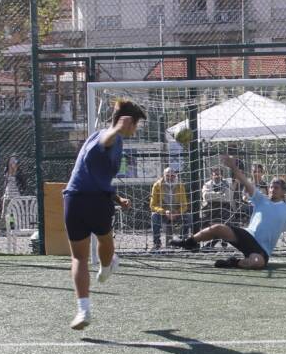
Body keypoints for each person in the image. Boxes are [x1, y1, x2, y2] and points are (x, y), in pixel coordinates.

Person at [63, 99, 145, 330]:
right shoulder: (109, 136)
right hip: (86, 200)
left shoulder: (110, 139)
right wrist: (117, 128)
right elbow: (104, 141)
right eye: (135, 125)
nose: (135, 130)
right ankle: (106, 269)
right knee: (97, 245)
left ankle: (85, 305)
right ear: (127, 122)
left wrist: (118, 198)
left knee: (84, 254)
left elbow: (95, 173)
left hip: (78, 198)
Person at [170, 155, 286, 270]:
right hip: (247, 236)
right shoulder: (261, 199)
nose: (272, 190)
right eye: (271, 187)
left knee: (257, 263)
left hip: (262, 249)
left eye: (276, 188)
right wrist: (233, 167)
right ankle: (189, 242)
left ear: (284, 192)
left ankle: (234, 262)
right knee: (218, 227)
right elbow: (245, 182)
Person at [149, 167, 192, 249]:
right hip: (163, 214)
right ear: (163, 175)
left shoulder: (180, 186)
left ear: (175, 176)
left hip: (177, 213)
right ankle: (157, 243)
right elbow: (152, 205)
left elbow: (184, 205)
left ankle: (181, 241)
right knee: (154, 216)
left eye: (172, 175)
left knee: (189, 217)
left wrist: (178, 212)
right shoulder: (157, 185)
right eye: (167, 175)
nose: (170, 177)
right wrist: (164, 212)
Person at [200, 166, 234, 231]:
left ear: (222, 175)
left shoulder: (227, 184)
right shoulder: (206, 184)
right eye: (215, 174)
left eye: (218, 174)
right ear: (212, 176)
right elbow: (205, 196)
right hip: (209, 209)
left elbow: (228, 198)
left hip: (224, 210)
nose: (217, 176)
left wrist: (212, 196)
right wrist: (220, 194)